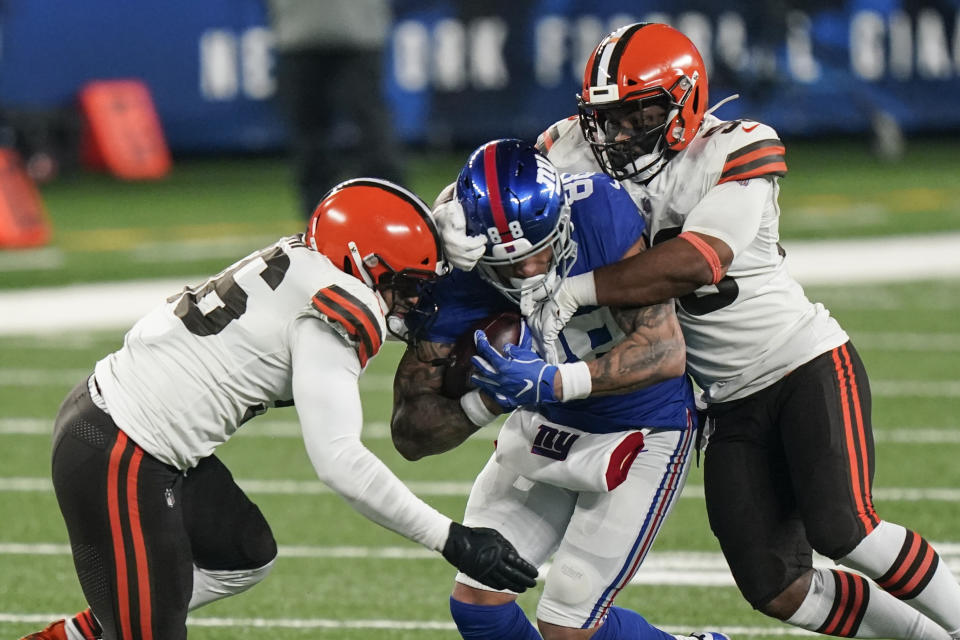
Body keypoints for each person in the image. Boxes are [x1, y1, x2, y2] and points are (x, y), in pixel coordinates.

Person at [438, 23, 960, 640]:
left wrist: (571, 291)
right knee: (778, 587)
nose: (618, 134)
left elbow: (696, 261)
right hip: (717, 399)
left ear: (684, 101)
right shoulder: (571, 147)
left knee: (846, 530)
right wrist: (448, 217)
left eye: (638, 115)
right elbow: (499, 193)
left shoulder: (735, 148)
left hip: (798, 364)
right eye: (606, 117)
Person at [20, 178, 538, 640]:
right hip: (122, 451)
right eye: (405, 285)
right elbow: (339, 461)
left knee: (241, 556)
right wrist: (449, 538)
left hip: (119, 423)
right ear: (365, 265)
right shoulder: (338, 309)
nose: (411, 302)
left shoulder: (307, 258)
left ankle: (101, 625)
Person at [392, 139, 727, 640]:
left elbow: (663, 350)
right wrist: (485, 401)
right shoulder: (460, 273)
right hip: (545, 426)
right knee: (480, 606)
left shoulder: (599, 213)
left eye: (540, 249)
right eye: (509, 263)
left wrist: (553, 381)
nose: (529, 270)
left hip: (640, 427)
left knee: (569, 625)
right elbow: (411, 435)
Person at [266, 0, 406, 217]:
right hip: (310, 34)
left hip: (346, 33)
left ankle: (395, 207)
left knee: (366, 127)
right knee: (317, 132)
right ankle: (321, 215)